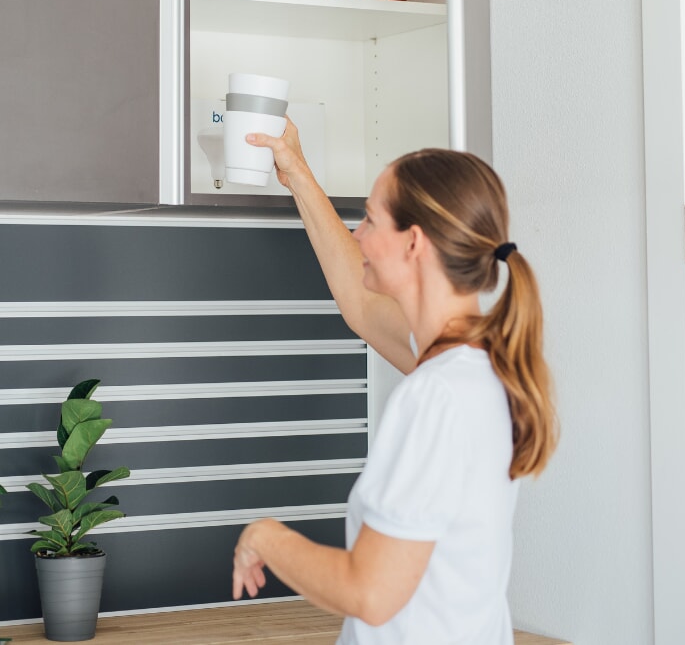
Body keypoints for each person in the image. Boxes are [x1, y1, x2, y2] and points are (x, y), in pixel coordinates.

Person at [231, 120, 558, 644]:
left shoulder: (436, 396)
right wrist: (296, 173)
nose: (358, 232)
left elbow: (372, 594)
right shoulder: (478, 368)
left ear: (414, 243)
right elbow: (360, 305)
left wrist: (265, 536)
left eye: (371, 219)